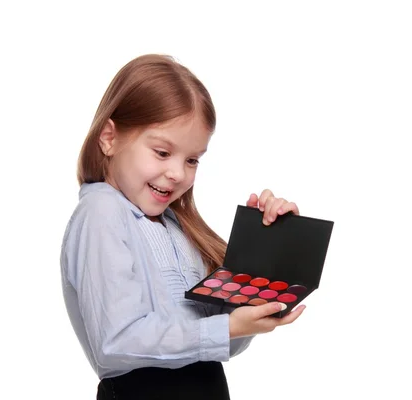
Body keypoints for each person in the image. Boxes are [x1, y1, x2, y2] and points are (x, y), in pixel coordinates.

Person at [60, 54, 306, 400]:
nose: (178, 173)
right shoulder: (102, 212)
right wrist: (224, 328)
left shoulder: (175, 225)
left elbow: (220, 344)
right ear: (109, 138)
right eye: (162, 152)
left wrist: (263, 255)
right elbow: (116, 342)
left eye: (192, 160)